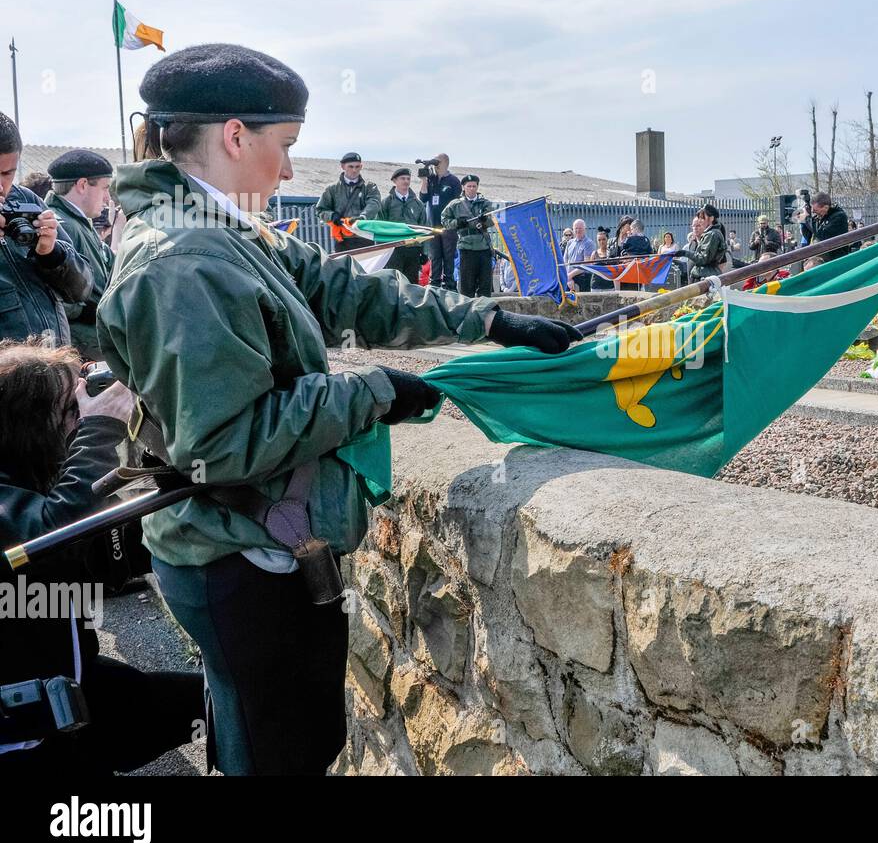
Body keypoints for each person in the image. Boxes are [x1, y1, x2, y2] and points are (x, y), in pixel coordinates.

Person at [95, 43, 582, 776]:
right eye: (284, 147)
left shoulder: (218, 225)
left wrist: (489, 321)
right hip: (237, 557)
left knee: (268, 738)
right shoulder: (184, 262)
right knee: (276, 752)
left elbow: (346, 290)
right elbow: (224, 441)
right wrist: (375, 392)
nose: (289, 170)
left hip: (251, 542)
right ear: (235, 136)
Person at [0, 339, 205, 775]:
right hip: (23, 734)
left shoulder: (26, 480)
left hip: (68, 683)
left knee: (212, 702)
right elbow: (52, 541)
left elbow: (108, 551)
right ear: (28, 427)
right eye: (71, 409)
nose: (81, 415)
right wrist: (102, 428)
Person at [0, 113, 93, 345]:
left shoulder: (26, 200)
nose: (1, 185)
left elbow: (81, 289)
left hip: (54, 364)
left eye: (7, 173)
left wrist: (51, 253)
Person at [44, 150, 116, 360]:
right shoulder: (63, 226)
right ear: (83, 185)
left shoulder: (79, 224)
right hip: (84, 347)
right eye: (104, 188)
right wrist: (90, 311)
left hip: (92, 341)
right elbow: (53, 296)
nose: (107, 198)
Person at [440, 174, 495, 298]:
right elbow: (444, 220)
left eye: (474, 186)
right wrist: (457, 223)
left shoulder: (485, 203)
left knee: (485, 286)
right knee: (466, 286)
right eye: (469, 186)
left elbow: (493, 220)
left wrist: (484, 220)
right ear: (463, 187)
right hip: (467, 248)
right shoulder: (455, 204)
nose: (471, 189)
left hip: (483, 247)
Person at [316, 152, 380, 253]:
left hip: (365, 236)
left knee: (366, 268)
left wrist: (362, 217)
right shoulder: (332, 189)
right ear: (342, 166)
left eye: (357, 167)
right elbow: (320, 210)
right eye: (351, 166)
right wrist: (332, 216)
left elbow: (374, 204)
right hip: (342, 238)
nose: (354, 170)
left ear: (361, 166)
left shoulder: (370, 187)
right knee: (343, 268)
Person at [375, 167, 427, 282]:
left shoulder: (418, 204)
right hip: (394, 249)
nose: (406, 181)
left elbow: (424, 228)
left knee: (412, 283)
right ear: (395, 181)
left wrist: (424, 252)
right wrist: (381, 249)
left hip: (413, 249)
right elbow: (380, 227)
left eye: (408, 178)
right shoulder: (386, 203)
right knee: (394, 281)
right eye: (402, 178)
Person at [418, 154, 461, 290]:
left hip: (448, 225)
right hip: (433, 224)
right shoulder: (431, 179)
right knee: (435, 255)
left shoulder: (453, 180)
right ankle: (435, 281)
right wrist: (424, 180)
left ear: (446, 163)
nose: (435, 164)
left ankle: (449, 282)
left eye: (438, 161)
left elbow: (457, 202)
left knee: (448, 256)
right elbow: (423, 198)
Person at [799, 191, 851, 265]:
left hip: (834, 261)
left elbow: (823, 235)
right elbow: (809, 235)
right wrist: (803, 222)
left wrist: (807, 219)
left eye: (816, 210)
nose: (814, 212)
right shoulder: (819, 216)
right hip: (818, 259)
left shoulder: (839, 217)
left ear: (826, 207)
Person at [681, 204, 729, 282]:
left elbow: (703, 259)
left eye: (702, 218)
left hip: (705, 279)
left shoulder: (713, 234)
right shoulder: (702, 237)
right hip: (700, 276)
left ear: (711, 218)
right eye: (694, 226)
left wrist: (684, 253)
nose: (700, 221)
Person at [563, 218, 596, 292]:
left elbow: (586, 264)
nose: (578, 230)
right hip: (569, 279)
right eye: (576, 228)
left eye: (580, 228)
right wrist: (569, 278)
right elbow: (565, 261)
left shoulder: (589, 243)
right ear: (573, 229)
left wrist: (569, 276)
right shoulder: (569, 243)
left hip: (582, 279)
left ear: (585, 229)